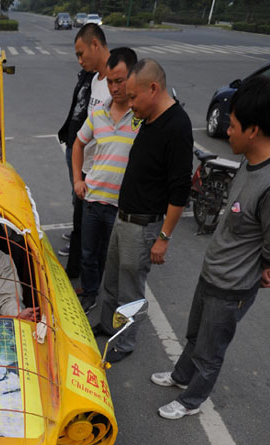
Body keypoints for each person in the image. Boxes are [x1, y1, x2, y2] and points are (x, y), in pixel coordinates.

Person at [151, 76, 270, 419]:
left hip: (232, 285)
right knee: (194, 335)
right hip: (212, 273)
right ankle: (180, 377)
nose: (226, 131)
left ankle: (192, 401)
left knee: (210, 350)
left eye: (232, 125)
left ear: (253, 130)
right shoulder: (249, 161)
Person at [96, 59, 193, 362]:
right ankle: (105, 325)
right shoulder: (149, 118)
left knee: (130, 291)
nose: (130, 103)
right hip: (123, 217)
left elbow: (179, 191)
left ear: (153, 88)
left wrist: (164, 237)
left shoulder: (177, 126)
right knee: (111, 281)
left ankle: (124, 343)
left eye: (134, 97)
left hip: (143, 226)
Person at [72, 47, 139, 315]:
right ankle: (90, 293)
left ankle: (113, 306)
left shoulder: (140, 117)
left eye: (119, 81)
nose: (114, 87)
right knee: (88, 254)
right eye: (110, 81)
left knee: (113, 261)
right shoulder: (98, 114)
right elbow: (78, 144)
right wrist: (78, 180)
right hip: (92, 198)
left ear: (133, 78)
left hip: (121, 207)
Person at [57, 23, 110, 275]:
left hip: (104, 171)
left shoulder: (116, 82)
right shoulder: (94, 80)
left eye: (81, 53)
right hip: (85, 165)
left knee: (99, 229)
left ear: (95, 45)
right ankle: (80, 272)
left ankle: (92, 279)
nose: (79, 60)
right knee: (82, 220)